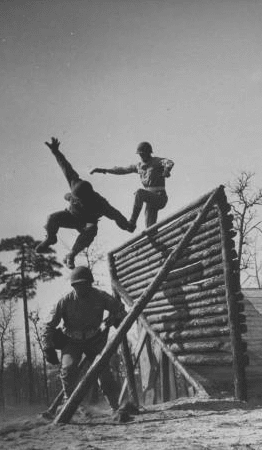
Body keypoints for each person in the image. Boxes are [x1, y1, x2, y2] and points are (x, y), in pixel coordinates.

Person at [42, 266, 130, 422]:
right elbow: (48, 325)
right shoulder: (65, 301)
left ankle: (115, 408)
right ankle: (71, 406)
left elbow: (119, 308)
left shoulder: (100, 296)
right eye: (78, 284)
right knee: (68, 370)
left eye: (85, 284)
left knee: (104, 373)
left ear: (90, 283)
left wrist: (114, 318)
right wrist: (48, 347)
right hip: (71, 342)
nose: (82, 288)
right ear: (73, 285)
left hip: (95, 340)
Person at [36, 137, 135, 269]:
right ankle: (50, 238)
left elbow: (116, 215)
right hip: (71, 216)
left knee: (92, 229)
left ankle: (71, 255)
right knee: (51, 218)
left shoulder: (100, 203)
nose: (81, 202)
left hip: (86, 223)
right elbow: (65, 166)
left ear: (88, 198)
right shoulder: (75, 183)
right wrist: (56, 151)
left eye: (82, 200)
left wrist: (126, 226)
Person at [90, 142, 174, 229]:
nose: (142, 156)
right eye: (140, 154)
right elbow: (122, 170)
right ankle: (155, 241)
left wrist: (167, 170)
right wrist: (104, 170)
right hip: (149, 200)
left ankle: (132, 222)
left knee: (139, 193)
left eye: (143, 154)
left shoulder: (156, 161)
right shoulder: (139, 166)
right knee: (150, 229)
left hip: (160, 197)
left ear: (149, 153)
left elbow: (169, 162)